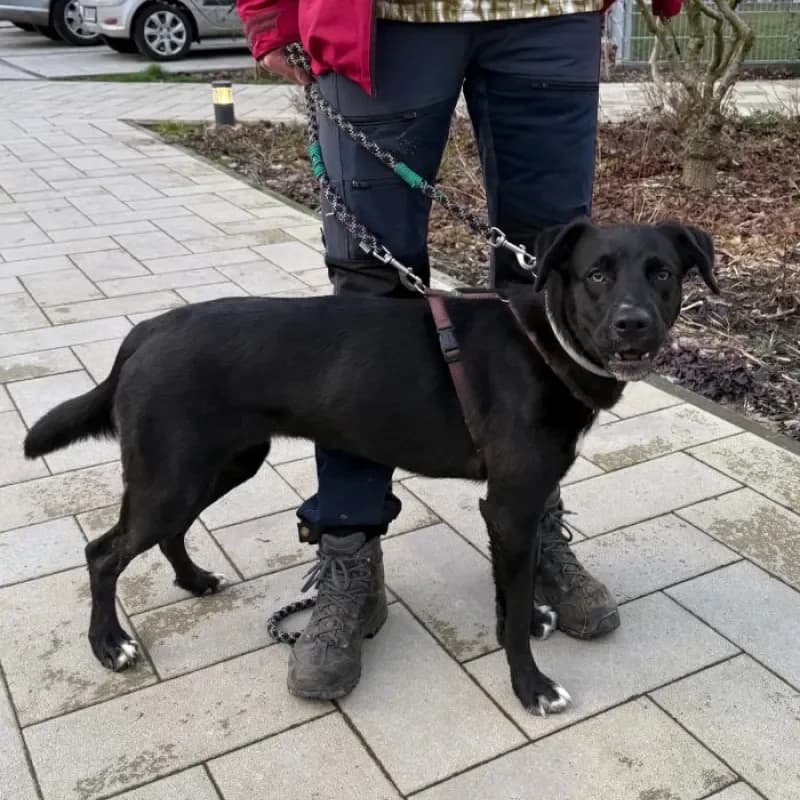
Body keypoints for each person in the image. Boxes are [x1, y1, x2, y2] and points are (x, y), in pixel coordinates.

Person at [236, 0, 683, 700]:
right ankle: (349, 546)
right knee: (368, 296)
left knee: (550, 275)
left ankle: (531, 528)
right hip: (385, 19)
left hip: (550, 14)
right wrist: (269, 12)